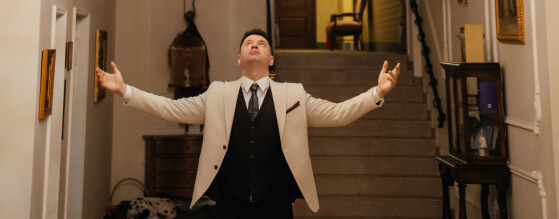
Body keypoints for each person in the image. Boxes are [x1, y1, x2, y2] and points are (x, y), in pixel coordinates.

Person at [97, 29, 400, 218]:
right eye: (248, 43)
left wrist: (377, 93)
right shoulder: (217, 93)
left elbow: (339, 114)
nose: (255, 45)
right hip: (230, 203)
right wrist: (125, 90)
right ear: (239, 58)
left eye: (262, 43)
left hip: (277, 203)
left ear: (271, 59)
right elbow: (170, 108)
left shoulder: (294, 94)